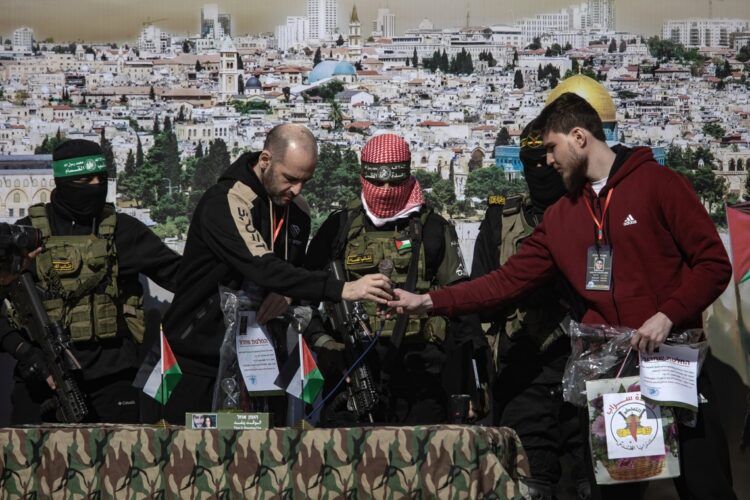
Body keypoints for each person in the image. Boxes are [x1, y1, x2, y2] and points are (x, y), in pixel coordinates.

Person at [388, 93, 736, 499]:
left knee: (704, 482)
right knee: (619, 493)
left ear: (579, 137)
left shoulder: (659, 184)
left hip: (673, 368)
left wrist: (667, 315)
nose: (547, 161)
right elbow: (504, 282)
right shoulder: (562, 216)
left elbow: (714, 264)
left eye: (552, 149)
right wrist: (428, 302)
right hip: (613, 378)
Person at [161, 124, 392, 423]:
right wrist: (342, 289)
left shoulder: (298, 210)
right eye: (290, 179)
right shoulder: (227, 200)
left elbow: (290, 272)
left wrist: (288, 293)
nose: (297, 189)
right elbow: (262, 265)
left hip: (262, 359)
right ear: (266, 160)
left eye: (305, 181)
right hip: (199, 358)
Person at [305, 133, 488, 425]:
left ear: (408, 177)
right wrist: (327, 344)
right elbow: (305, 292)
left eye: (395, 182)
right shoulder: (339, 227)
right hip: (351, 368)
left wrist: (472, 385)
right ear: (364, 177)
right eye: (377, 183)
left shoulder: (433, 229)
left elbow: (460, 304)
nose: (387, 190)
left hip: (422, 371)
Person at [0, 139, 182, 424]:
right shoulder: (27, 237)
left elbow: (183, 277)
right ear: (63, 181)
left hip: (113, 380)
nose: (96, 186)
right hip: (41, 378)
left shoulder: (124, 231)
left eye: (101, 178)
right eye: (85, 180)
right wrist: (27, 354)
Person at [471, 120, 589, 499]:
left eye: (546, 161)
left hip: (587, 368)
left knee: (586, 481)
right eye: (530, 162)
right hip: (523, 368)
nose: (540, 170)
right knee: (527, 481)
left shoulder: (594, 215)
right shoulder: (500, 220)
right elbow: (482, 294)